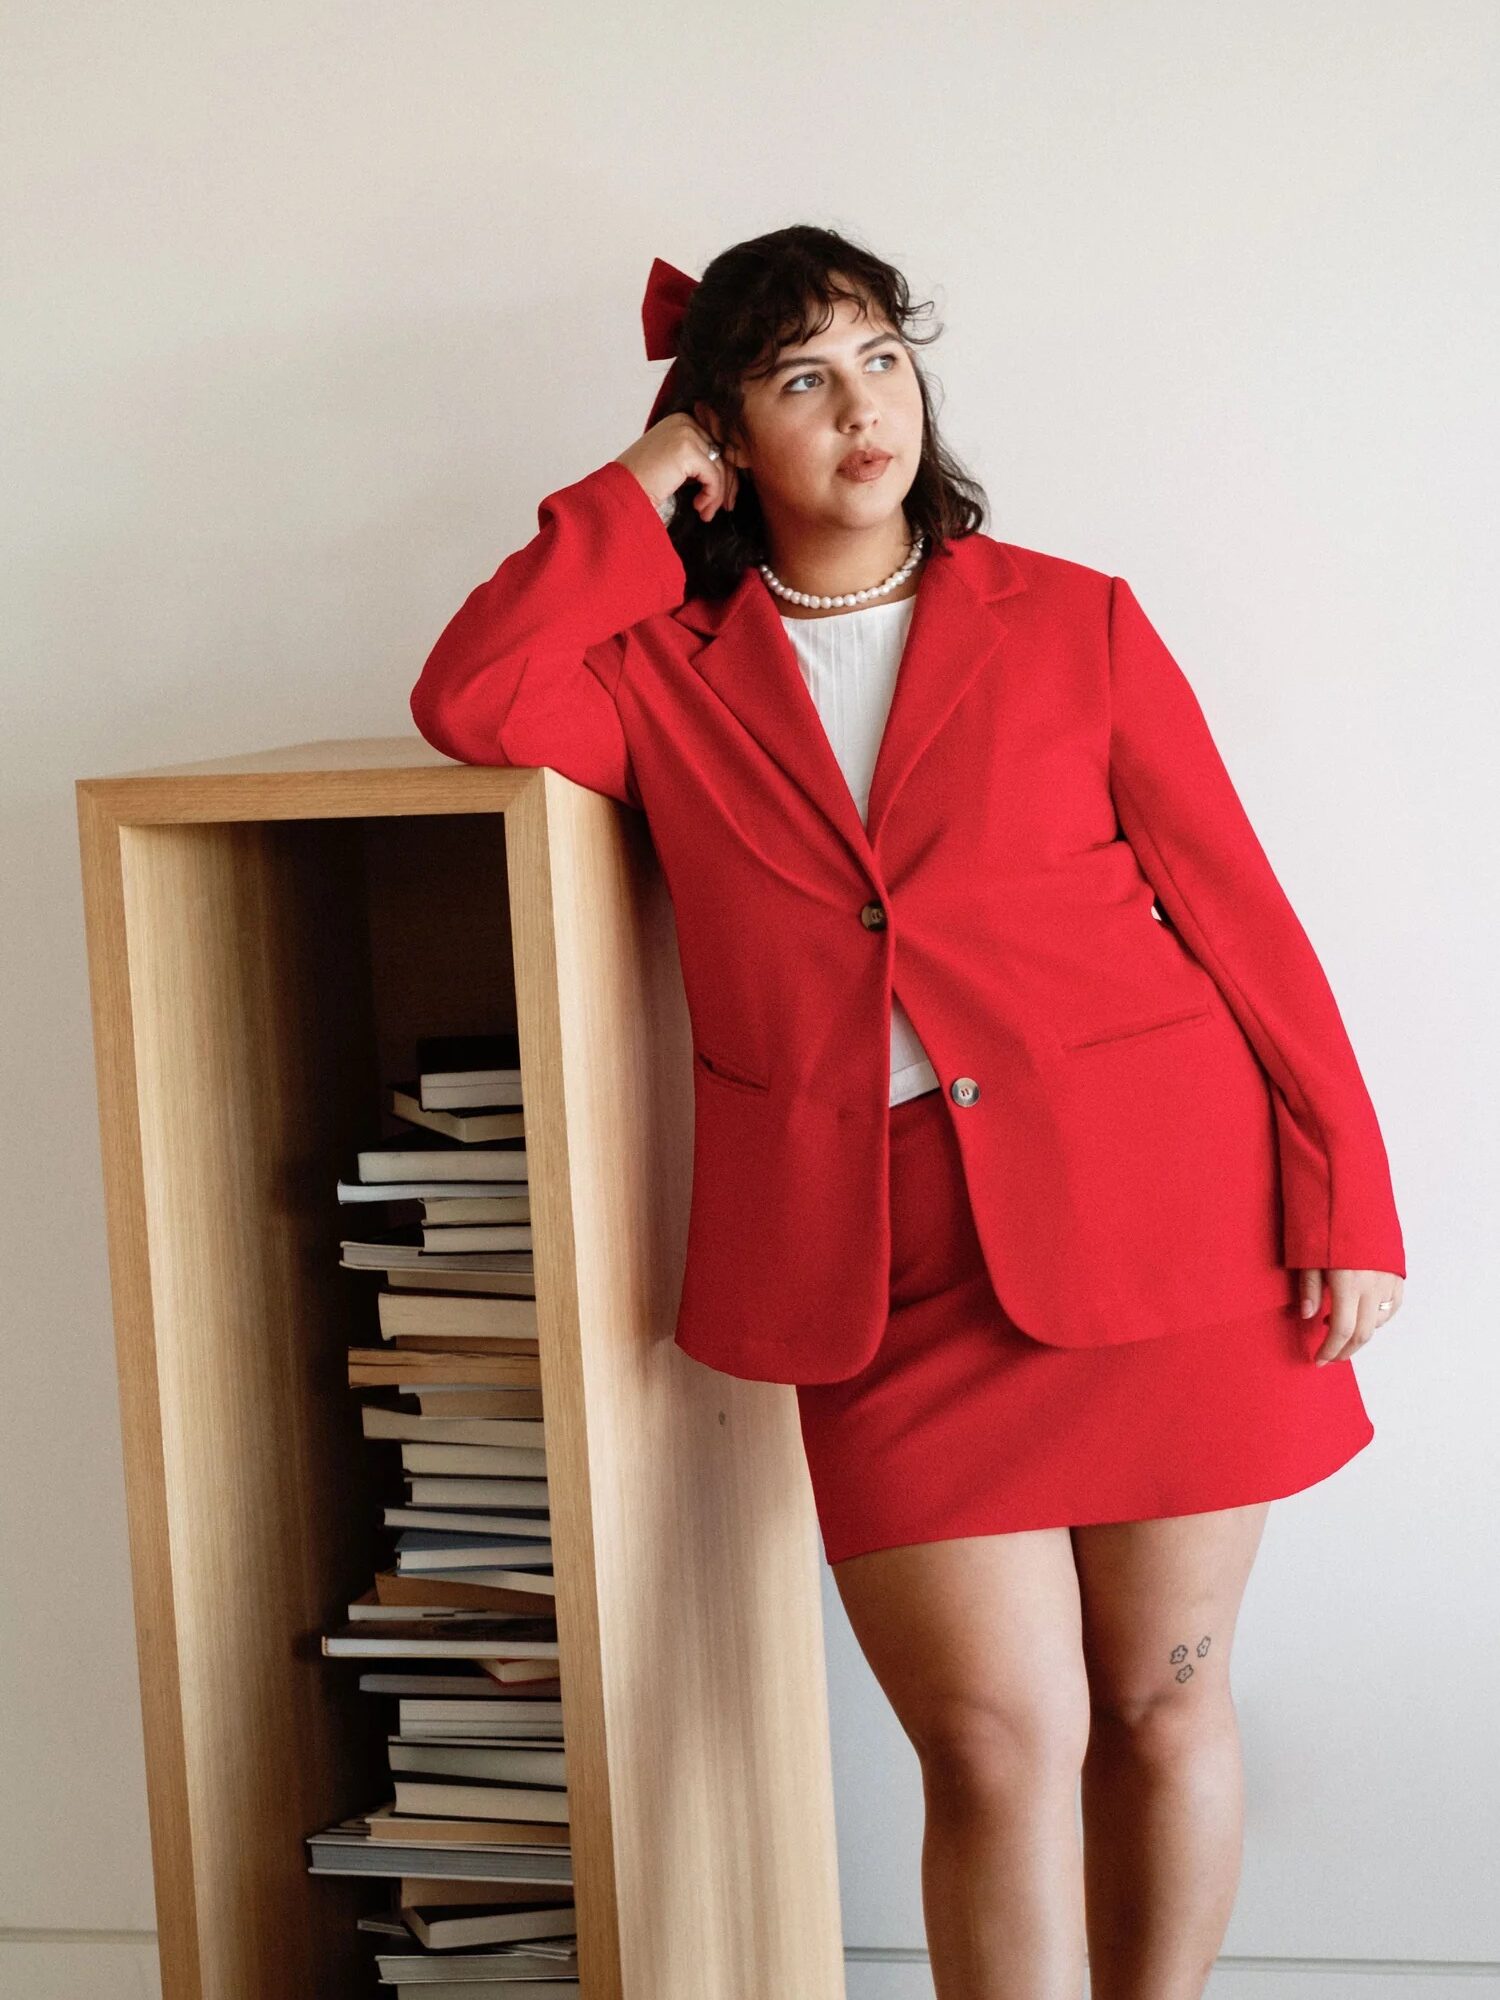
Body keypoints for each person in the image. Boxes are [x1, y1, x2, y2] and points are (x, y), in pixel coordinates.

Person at [410, 223, 1406, 2000]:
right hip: (881, 1263)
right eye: (800, 378)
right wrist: (639, 489)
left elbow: (1242, 914)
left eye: (878, 355)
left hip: (1164, 1220)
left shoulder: (1075, 618)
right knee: (993, 1742)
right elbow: (470, 693)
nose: (859, 406)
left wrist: (1347, 1199)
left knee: (1161, 1702)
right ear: (723, 432)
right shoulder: (657, 675)